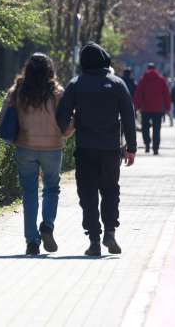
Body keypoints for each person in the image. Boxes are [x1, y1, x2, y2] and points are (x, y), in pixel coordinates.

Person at [56, 42, 136, 257]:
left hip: (85, 149)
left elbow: (62, 112)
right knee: (110, 190)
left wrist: (65, 128)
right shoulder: (117, 84)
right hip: (110, 149)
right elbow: (129, 116)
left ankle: (94, 239)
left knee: (88, 193)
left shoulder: (76, 84)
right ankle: (110, 231)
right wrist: (131, 148)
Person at [0, 53, 73, 256]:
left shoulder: (17, 91)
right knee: (51, 188)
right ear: (50, 70)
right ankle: (47, 225)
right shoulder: (57, 92)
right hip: (52, 148)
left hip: (25, 147)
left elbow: (2, 119)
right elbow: (67, 123)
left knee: (29, 193)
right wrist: (66, 134)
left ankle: (32, 241)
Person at [132, 63, 172, 155]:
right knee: (157, 129)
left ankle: (147, 144)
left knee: (145, 128)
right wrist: (167, 107)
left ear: (147, 69)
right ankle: (155, 148)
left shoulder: (143, 80)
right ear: (155, 69)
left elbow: (138, 94)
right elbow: (166, 94)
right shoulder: (161, 80)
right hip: (158, 109)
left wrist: (136, 106)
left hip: (145, 108)